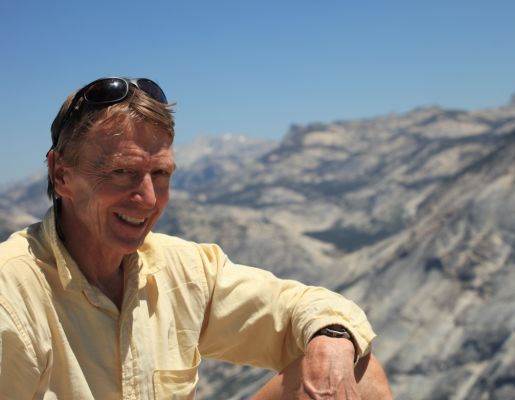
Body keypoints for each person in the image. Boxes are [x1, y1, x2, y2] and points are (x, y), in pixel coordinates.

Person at [0, 77, 392, 399]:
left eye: (161, 175)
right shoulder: (12, 294)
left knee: (361, 373)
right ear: (61, 175)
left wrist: (333, 340)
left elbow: (298, 306)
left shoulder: (183, 270)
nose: (149, 199)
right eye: (122, 172)